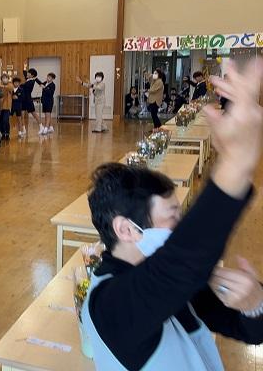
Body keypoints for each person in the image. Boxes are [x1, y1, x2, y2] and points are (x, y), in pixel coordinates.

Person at [83, 58, 263, 371]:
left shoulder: (175, 281)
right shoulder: (108, 304)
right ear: (126, 229)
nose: (181, 226)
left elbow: (248, 329)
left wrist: (254, 303)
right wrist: (236, 165)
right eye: (172, 216)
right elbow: (181, 262)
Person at [21, 69, 42, 134]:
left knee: (34, 114)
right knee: (21, 115)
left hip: (28, 100)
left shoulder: (31, 82)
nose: (27, 74)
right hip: (23, 100)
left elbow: (23, 86)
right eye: (27, 73)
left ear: (32, 75)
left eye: (29, 73)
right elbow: (24, 72)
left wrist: (35, 78)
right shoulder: (28, 80)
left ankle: (41, 127)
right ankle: (23, 129)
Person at [0, 73, 14, 141]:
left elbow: (10, 88)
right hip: (0, 106)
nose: (4, 79)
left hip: (7, 106)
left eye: (6, 78)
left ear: (8, 79)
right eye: (3, 78)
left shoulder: (10, 85)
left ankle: (7, 133)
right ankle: (3, 133)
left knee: (5, 120)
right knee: (0, 121)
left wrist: (1, 86)